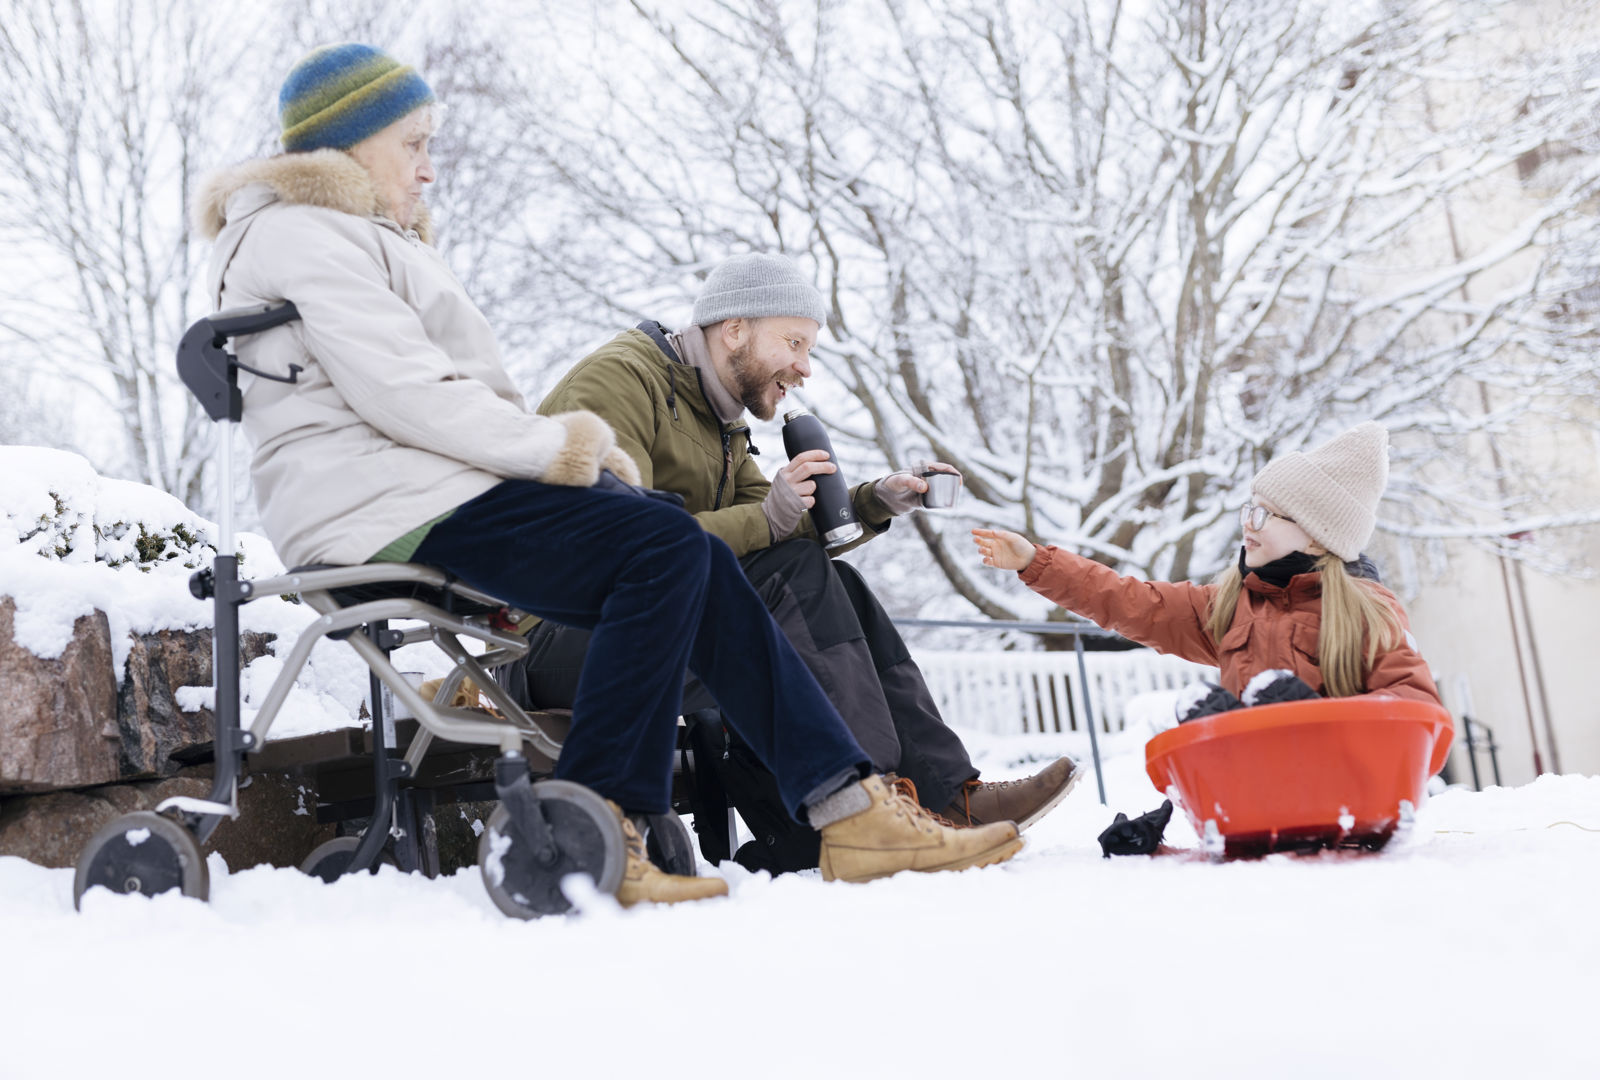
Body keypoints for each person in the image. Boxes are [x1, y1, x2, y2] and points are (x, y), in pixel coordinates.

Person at [194, 43, 1024, 905]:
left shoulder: (351, 236)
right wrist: (570, 455)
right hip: (382, 504)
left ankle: (849, 809)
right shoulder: (301, 233)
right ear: (349, 141)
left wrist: (857, 501)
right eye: (414, 144)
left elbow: (421, 395)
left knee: (683, 549)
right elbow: (406, 392)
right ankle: (607, 810)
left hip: (421, 490)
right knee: (664, 544)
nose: (429, 169)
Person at [513, 253, 1079, 873]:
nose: (805, 367)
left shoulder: (716, 418)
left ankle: (945, 796)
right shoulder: (619, 382)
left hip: (658, 620)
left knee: (833, 578)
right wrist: (768, 517)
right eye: (794, 343)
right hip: (558, 638)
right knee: (796, 573)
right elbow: (619, 545)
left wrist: (874, 500)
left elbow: (779, 527)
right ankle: (871, 808)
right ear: (734, 329)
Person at [972, 422, 1443, 713]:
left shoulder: (1365, 612)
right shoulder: (1231, 605)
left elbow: (1415, 706)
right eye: (1249, 509)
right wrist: (1037, 563)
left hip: (1340, 805)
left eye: (1267, 514)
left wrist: (1316, 718)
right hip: (1260, 806)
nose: (1248, 524)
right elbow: (1132, 602)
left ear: (1318, 535)